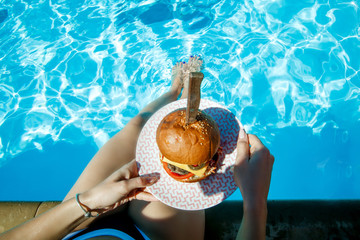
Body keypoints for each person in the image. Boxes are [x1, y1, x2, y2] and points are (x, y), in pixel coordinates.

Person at [0, 56, 274, 240]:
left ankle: (172, 92)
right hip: (146, 236)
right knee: (186, 191)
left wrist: (89, 203)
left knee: (138, 126)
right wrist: (255, 202)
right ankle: (175, 94)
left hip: (82, 225)